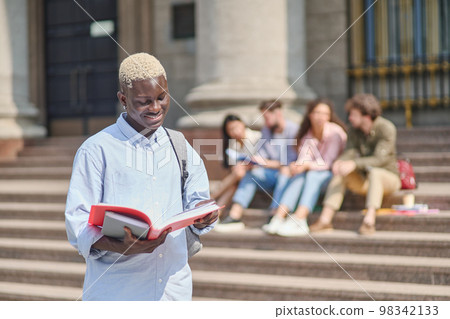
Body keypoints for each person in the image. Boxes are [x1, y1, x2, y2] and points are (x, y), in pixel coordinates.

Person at [65, 53, 218, 301]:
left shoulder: (180, 146)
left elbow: (198, 199)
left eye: (161, 97)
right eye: (144, 101)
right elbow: (78, 225)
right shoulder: (97, 150)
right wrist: (120, 245)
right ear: (123, 99)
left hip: (173, 291)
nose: (156, 108)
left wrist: (203, 214)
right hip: (118, 293)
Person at [309, 93, 401, 235]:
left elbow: (379, 159)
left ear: (366, 115)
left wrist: (354, 163)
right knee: (342, 172)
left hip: (388, 178)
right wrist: (340, 162)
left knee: (375, 172)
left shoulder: (386, 128)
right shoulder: (354, 131)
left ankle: (369, 221)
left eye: (353, 114)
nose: (350, 118)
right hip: (365, 180)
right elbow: (349, 152)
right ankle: (325, 220)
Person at [263, 98, 347, 237]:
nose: (321, 117)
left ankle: (300, 218)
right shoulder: (307, 134)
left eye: (325, 114)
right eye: (317, 112)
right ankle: (279, 216)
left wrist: (306, 165)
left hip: (330, 175)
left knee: (311, 175)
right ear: (310, 115)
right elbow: (304, 157)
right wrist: (299, 166)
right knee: (299, 174)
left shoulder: (334, 133)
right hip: (311, 175)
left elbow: (327, 163)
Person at [215, 99, 299, 232]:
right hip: (269, 173)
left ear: (278, 113)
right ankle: (235, 215)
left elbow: (288, 163)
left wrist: (264, 162)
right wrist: (255, 162)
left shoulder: (293, 130)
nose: (265, 121)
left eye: (266, 117)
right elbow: (262, 155)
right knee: (251, 174)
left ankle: (274, 214)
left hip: (287, 174)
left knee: (284, 172)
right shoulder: (267, 131)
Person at [211, 114, 261, 208]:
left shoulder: (256, 137)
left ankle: (212, 196)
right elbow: (233, 167)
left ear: (243, 125)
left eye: (237, 127)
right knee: (235, 181)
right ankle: (217, 211)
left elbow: (262, 160)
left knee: (239, 173)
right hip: (241, 175)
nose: (235, 131)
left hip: (257, 172)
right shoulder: (232, 144)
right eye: (231, 129)